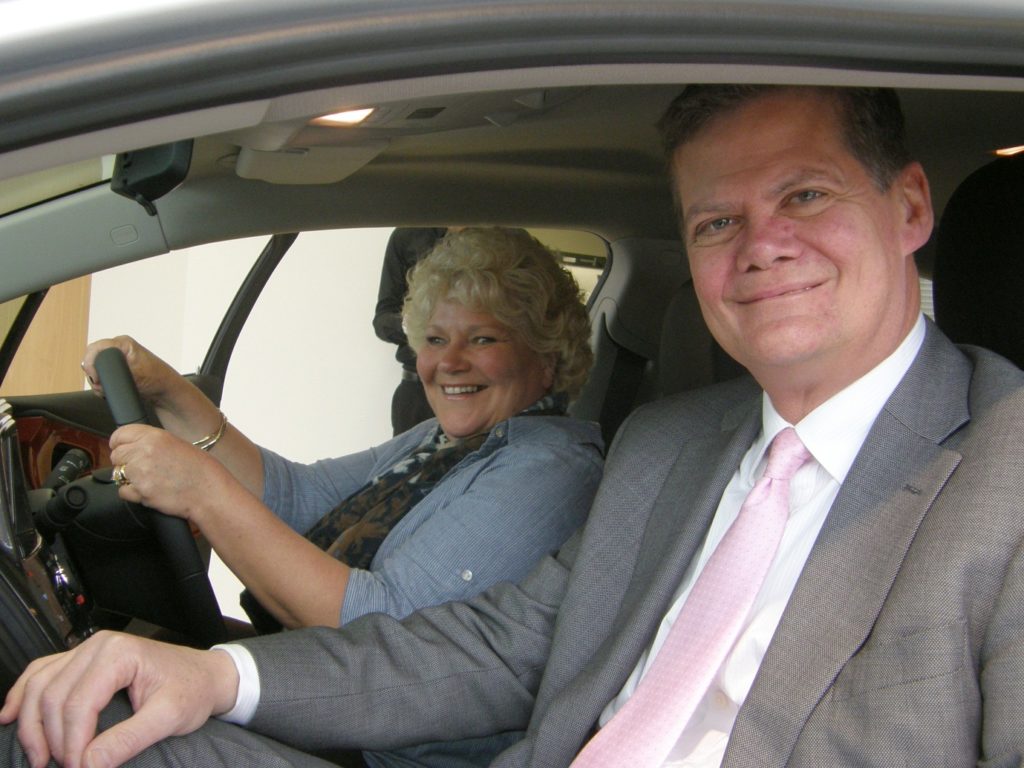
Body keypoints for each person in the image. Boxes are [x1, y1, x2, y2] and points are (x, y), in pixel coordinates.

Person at [3, 85, 1023, 768]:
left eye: (805, 195)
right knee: (91, 732)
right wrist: (218, 672)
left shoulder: (1005, 468)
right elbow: (489, 650)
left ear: (908, 210)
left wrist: (200, 490)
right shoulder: (672, 446)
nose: (762, 247)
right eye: (717, 221)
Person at [35, 226, 603, 768]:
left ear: (546, 356)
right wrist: (172, 395)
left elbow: (380, 631)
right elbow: (299, 495)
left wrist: (201, 493)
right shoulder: (448, 441)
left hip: (379, 750)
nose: (448, 363)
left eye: (482, 339)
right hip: (324, 700)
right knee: (92, 676)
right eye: (435, 339)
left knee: (72, 736)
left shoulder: (550, 468)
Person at [373, 226, 448, 435]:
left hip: (482, 391)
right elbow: (382, 321)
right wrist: (417, 324)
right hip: (417, 393)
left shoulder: (504, 236)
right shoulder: (407, 235)